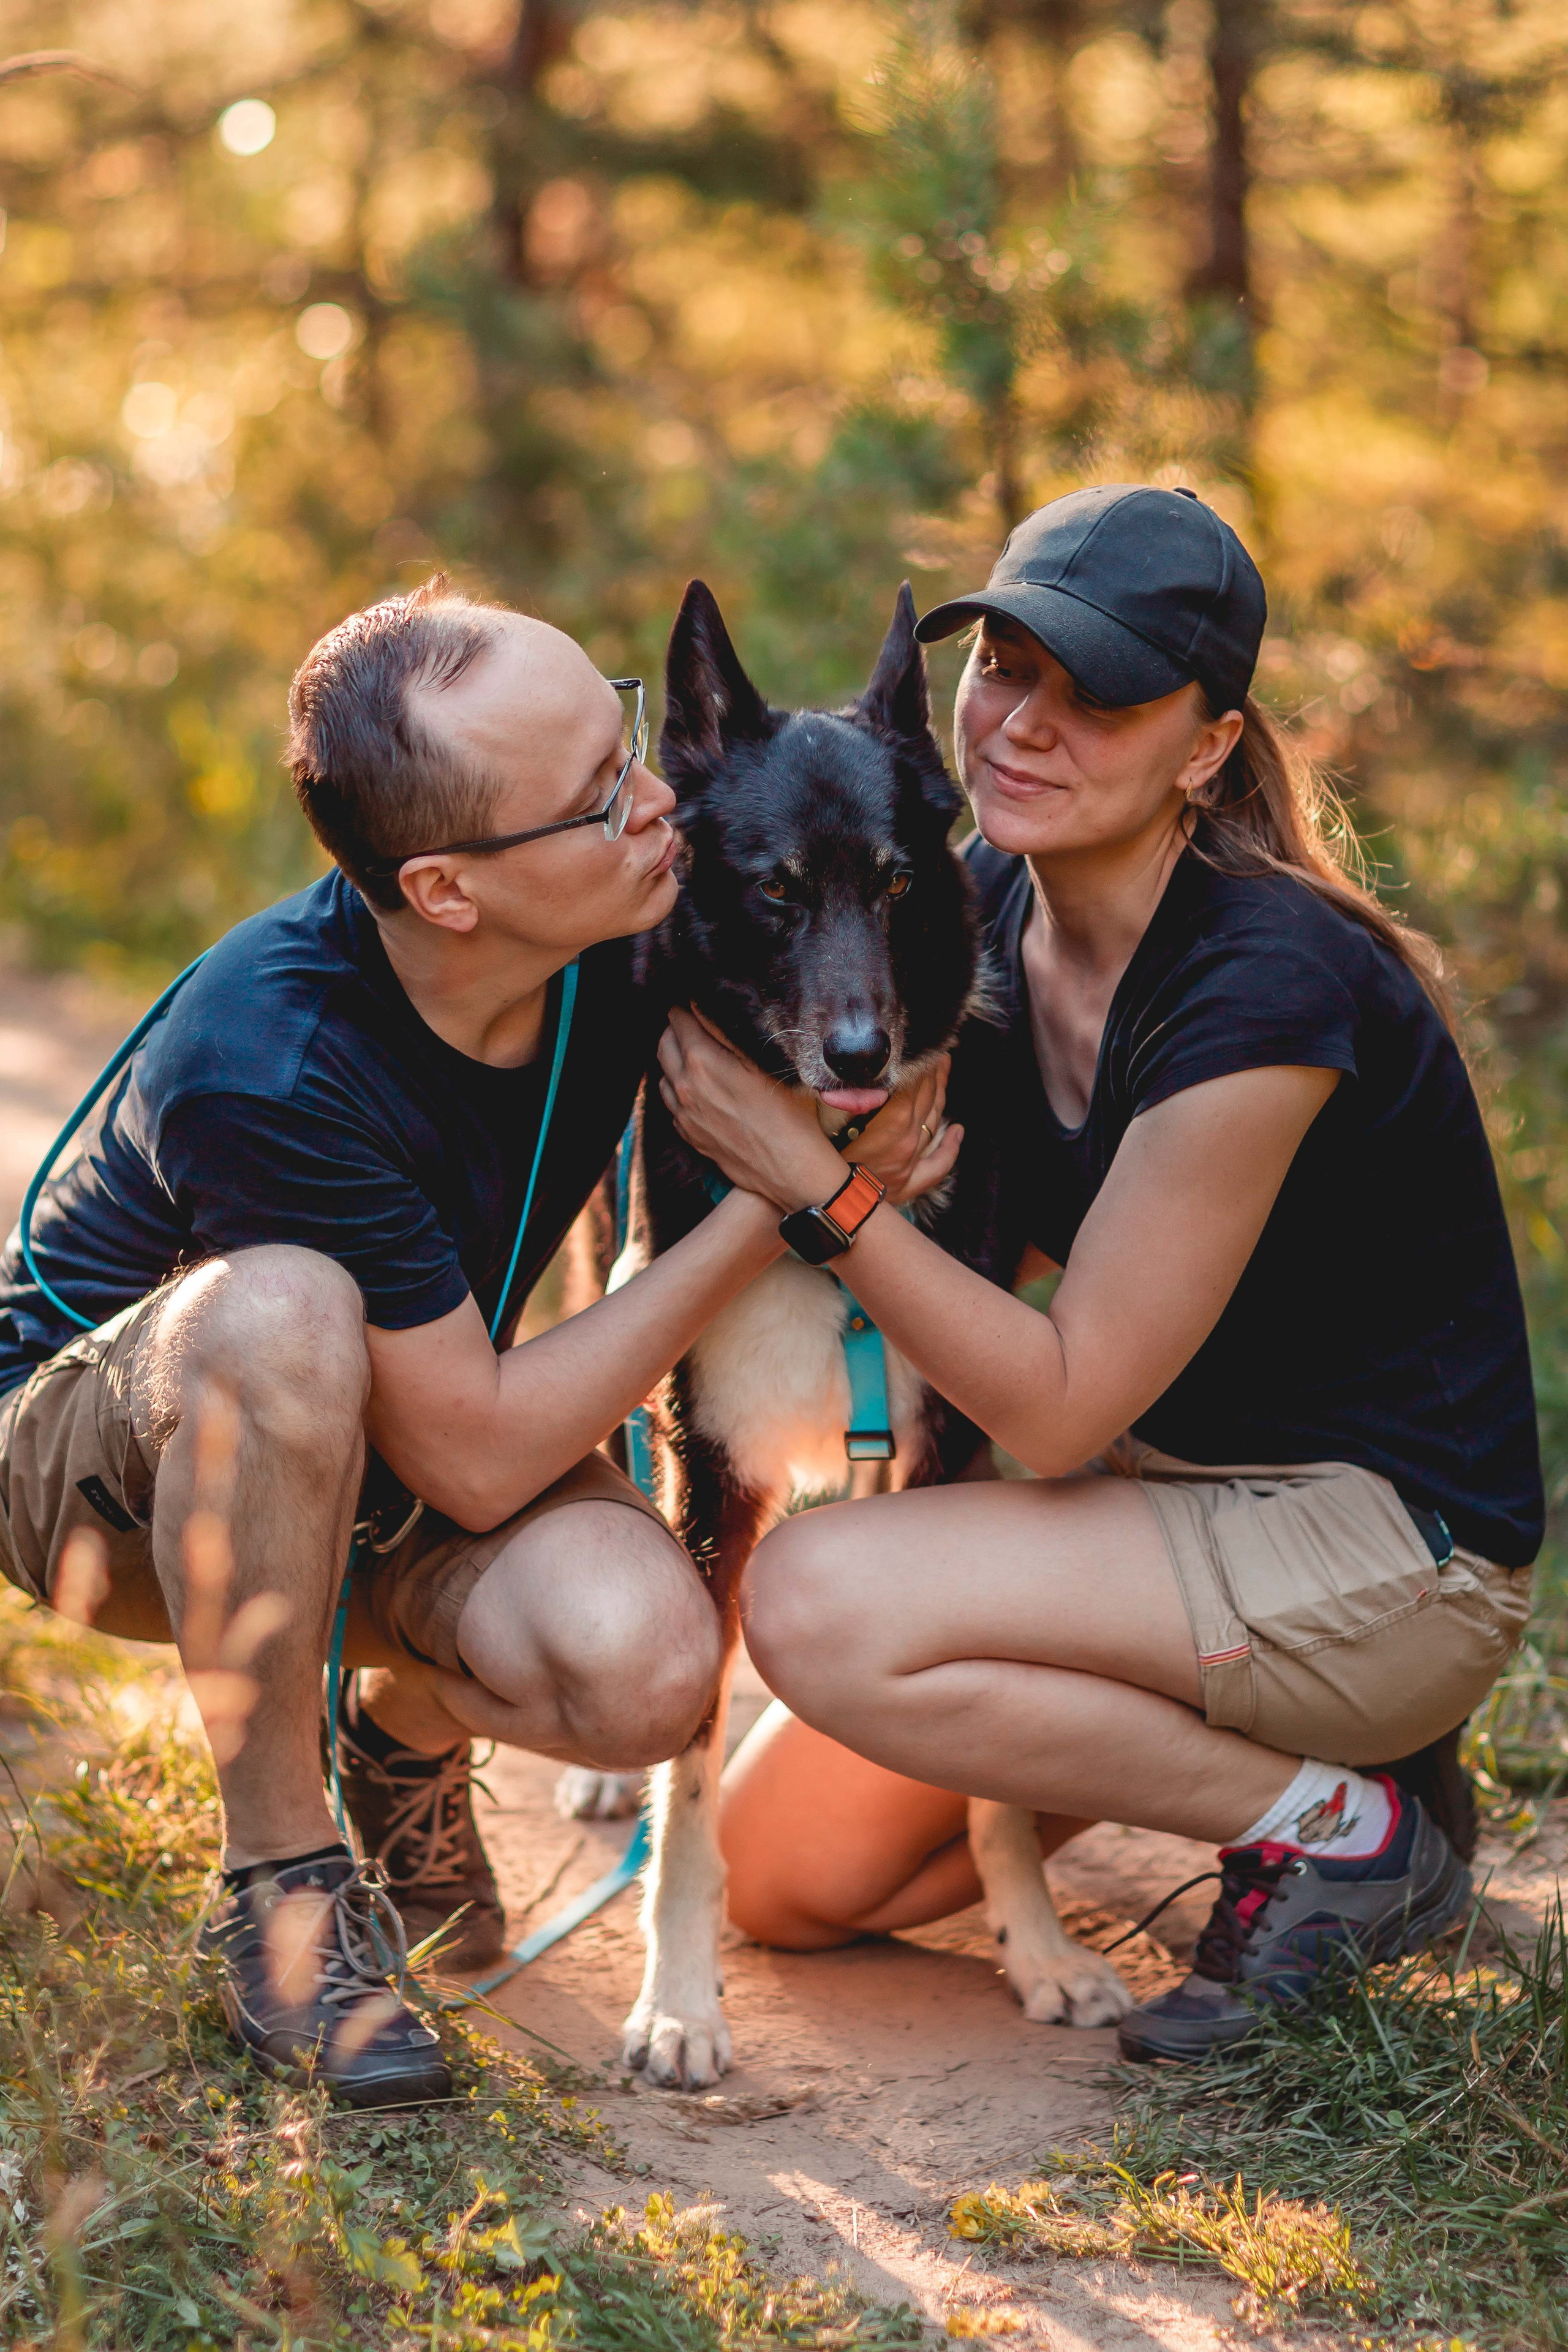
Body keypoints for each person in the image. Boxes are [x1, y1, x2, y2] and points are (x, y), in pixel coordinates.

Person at [0, 576, 938, 2107]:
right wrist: (781, 1204)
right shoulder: (271, 1058)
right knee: (286, 1306)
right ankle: (284, 1892)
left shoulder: (632, 938)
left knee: (647, 1661)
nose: (659, 805)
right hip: (115, 1482)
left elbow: (885, 901)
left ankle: (398, 1730)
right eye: (596, 799)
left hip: (391, 1436)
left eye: (624, 743)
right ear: (447, 890)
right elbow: (489, 1454)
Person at [655, 484, 1544, 2059]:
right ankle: (1280, 1750)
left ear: (1205, 745)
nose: (1025, 726)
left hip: (1376, 1549)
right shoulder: (977, 906)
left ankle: (1344, 1823)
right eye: (1005, 669)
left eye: (1104, 696)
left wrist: (811, 1184)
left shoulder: (1262, 985)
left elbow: (1053, 1415)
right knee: (787, 1882)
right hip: (1164, 1514)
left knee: (813, 1600)